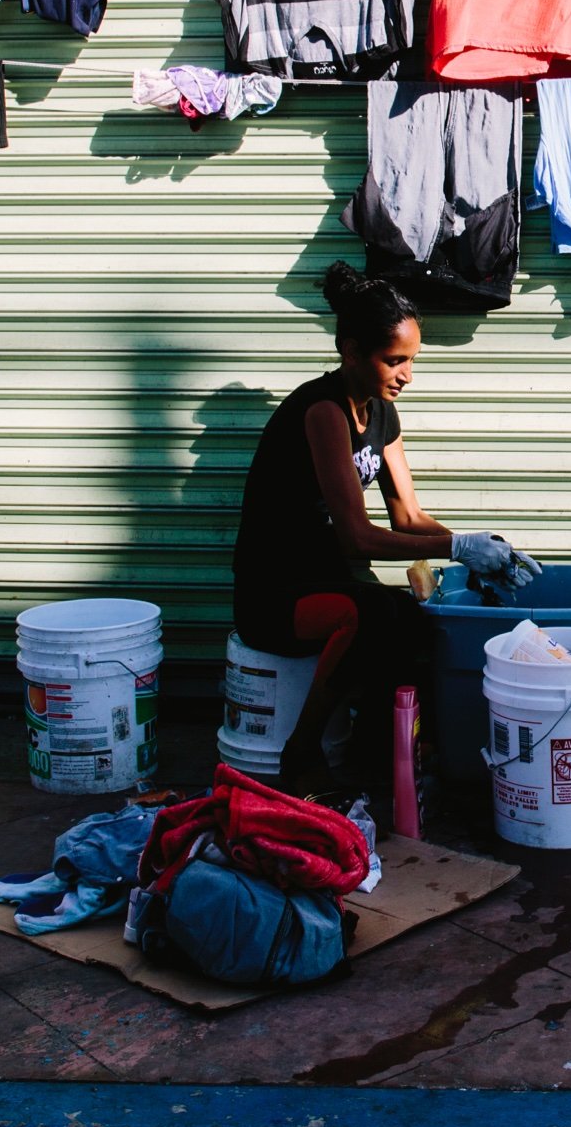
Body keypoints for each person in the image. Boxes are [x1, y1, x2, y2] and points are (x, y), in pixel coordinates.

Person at [232, 260, 543, 789]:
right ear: (351, 352)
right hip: (276, 593)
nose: (406, 374)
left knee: (415, 619)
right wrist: (458, 546)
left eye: (411, 360)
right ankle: (300, 754)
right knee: (373, 613)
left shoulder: (381, 412)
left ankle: (387, 756)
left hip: (326, 579)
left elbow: (408, 515)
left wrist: (485, 548)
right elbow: (358, 536)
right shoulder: (322, 411)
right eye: (393, 360)